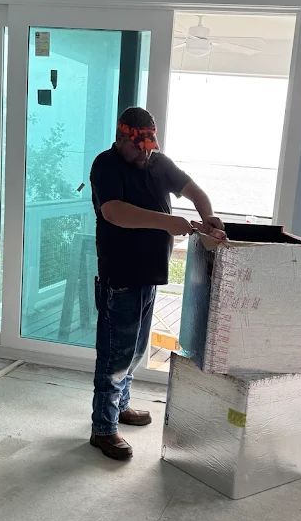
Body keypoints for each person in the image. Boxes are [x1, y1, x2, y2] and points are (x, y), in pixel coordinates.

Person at [89, 107, 225, 461]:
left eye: (151, 146)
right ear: (123, 140)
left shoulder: (157, 163)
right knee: (114, 355)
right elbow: (114, 212)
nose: (146, 153)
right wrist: (166, 222)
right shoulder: (106, 165)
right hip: (120, 275)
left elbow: (194, 191)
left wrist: (207, 216)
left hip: (150, 273)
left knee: (134, 352)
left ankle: (121, 407)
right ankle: (103, 429)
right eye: (140, 147)